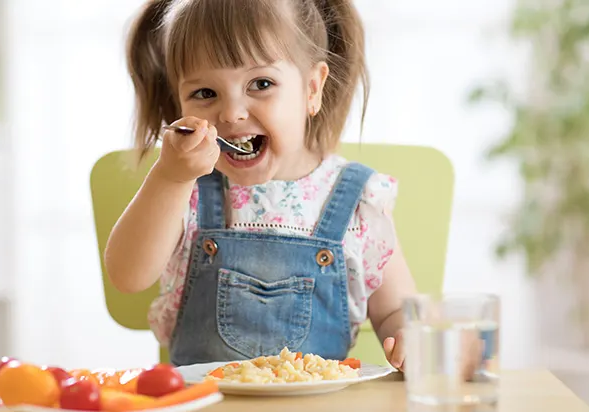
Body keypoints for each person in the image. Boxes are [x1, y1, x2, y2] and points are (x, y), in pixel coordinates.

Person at [105, 0, 418, 368]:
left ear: (312, 89)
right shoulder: (183, 191)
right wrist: (169, 177)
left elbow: (396, 311)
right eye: (205, 93)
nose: (231, 113)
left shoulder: (358, 201)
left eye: (261, 84)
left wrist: (409, 338)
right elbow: (127, 275)